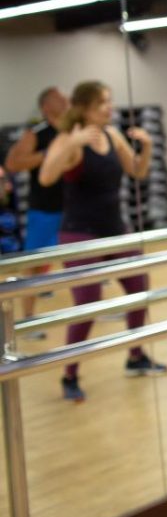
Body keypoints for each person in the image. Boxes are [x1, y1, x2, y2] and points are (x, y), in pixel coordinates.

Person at [38, 80, 165, 402]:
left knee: (138, 289)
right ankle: (69, 375)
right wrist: (71, 143)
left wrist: (147, 147)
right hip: (79, 232)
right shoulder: (71, 139)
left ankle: (136, 357)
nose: (109, 108)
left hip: (114, 229)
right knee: (88, 304)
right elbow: (46, 177)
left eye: (109, 101)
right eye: (101, 104)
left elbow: (136, 170)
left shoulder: (112, 135)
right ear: (83, 109)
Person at [4, 87, 69, 338]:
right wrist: (47, 155)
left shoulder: (72, 130)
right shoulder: (38, 133)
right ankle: (29, 320)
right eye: (58, 98)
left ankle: (98, 308)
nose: (64, 100)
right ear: (46, 107)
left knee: (90, 258)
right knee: (34, 263)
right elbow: (13, 163)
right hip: (45, 209)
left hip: (73, 208)